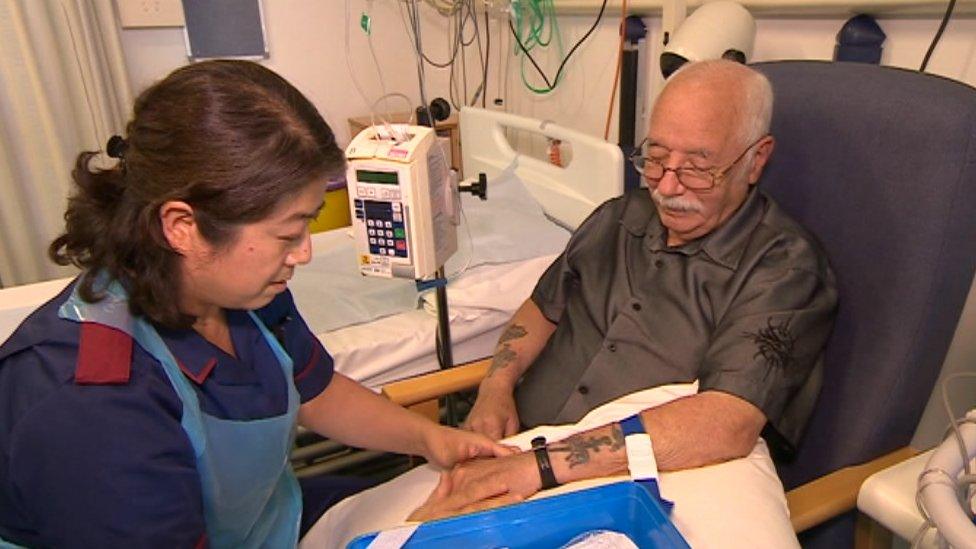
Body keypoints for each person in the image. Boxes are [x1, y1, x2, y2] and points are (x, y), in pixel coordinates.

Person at [0, 60, 513, 548]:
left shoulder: (242, 295)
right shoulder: (89, 403)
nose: (304, 254)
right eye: (288, 233)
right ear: (183, 227)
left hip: (270, 522)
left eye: (308, 226)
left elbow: (314, 389)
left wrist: (430, 439)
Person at [452, 60, 838, 501]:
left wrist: (537, 467)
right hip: (514, 450)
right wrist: (495, 388)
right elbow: (542, 309)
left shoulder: (784, 270)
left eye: (696, 167)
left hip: (615, 488)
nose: (667, 187)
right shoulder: (618, 217)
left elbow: (726, 422)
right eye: (655, 158)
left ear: (756, 160)